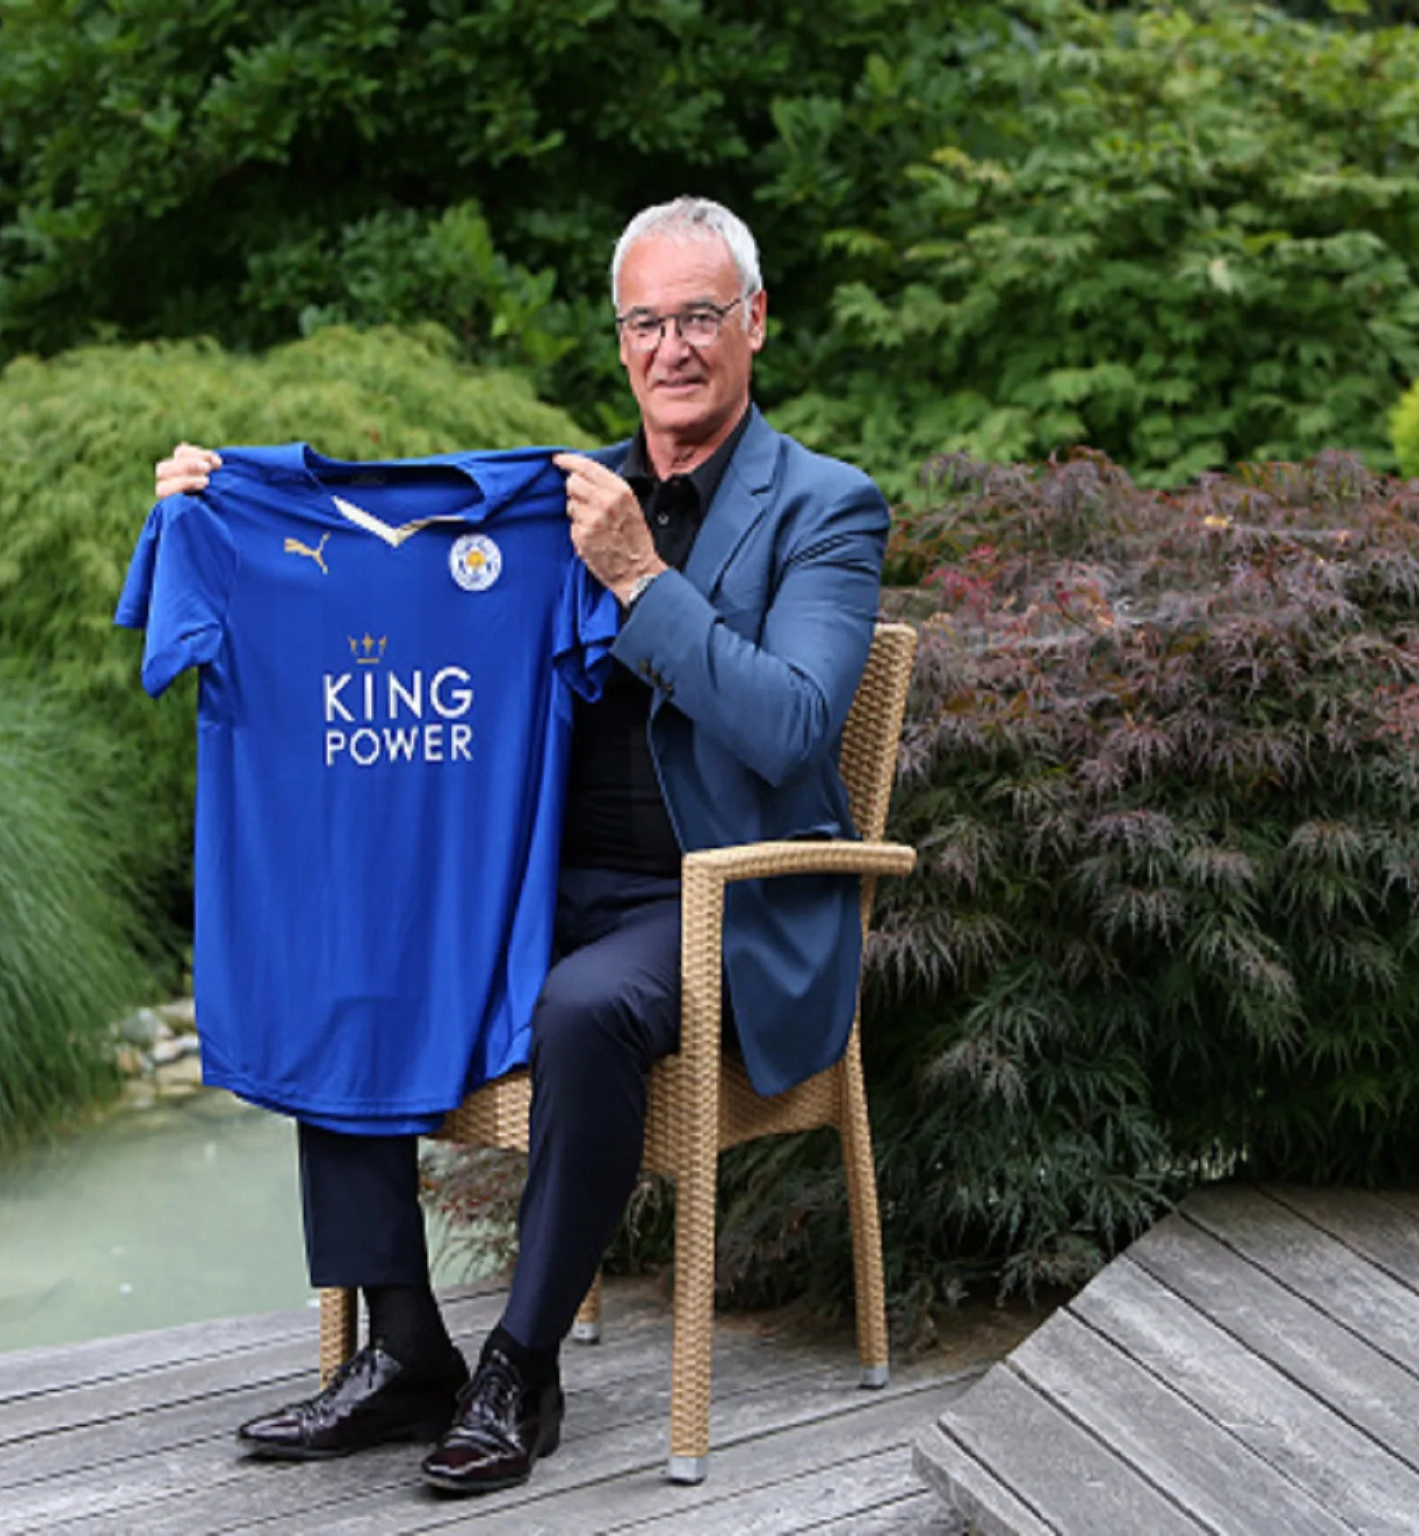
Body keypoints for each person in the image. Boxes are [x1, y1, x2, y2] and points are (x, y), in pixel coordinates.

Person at [151, 196, 889, 1494]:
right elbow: (397, 548)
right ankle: (406, 1347)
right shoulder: (560, 496)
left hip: (722, 895)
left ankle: (521, 1365)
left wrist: (638, 583)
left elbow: (792, 725)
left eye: (700, 316)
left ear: (755, 324)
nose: (673, 346)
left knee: (584, 1011)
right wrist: (234, 500)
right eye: (646, 320)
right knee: (357, 950)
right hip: (538, 879)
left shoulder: (825, 508)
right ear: (620, 342)